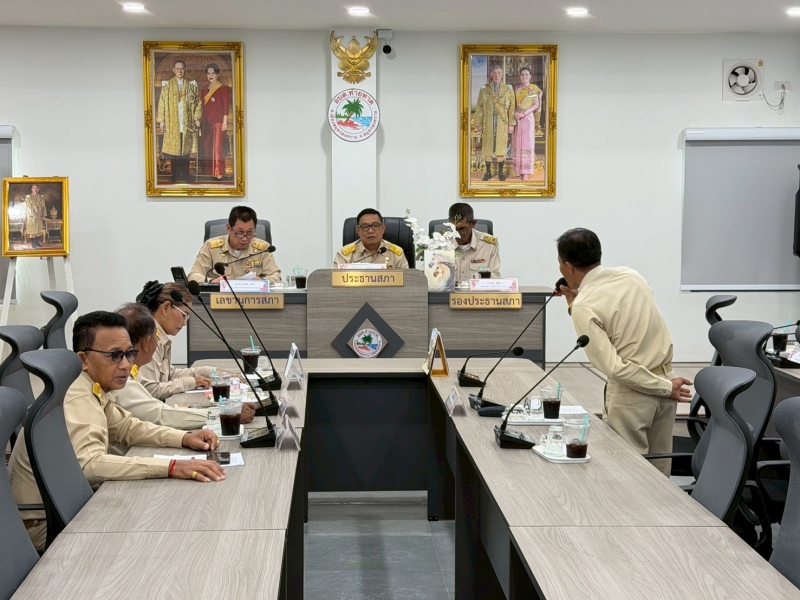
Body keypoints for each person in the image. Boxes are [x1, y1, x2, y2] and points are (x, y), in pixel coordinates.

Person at [9, 311, 225, 551]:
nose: (126, 365)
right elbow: (91, 465)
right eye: (115, 356)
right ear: (83, 359)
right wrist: (172, 467)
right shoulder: (77, 398)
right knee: (160, 532)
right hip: (47, 525)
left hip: (71, 504)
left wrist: (184, 438)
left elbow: (128, 427)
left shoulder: (91, 386)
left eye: (129, 354)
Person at [555, 228, 693, 477]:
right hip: (666, 381)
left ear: (567, 267)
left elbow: (613, 366)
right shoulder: (631, 275)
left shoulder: (584, 305)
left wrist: (577, 306)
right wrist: (665, 385)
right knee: (660, 475)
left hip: (634, 393)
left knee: (628, 478)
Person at [115, 303, 255, 425]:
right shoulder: (124, 380)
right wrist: (225, 413)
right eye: (156, 335)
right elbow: (160, 415)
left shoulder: (131, 372)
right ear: (147, 343)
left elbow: (157, 406)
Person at [135, 281, 215, 399]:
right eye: (184, 315)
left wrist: (208, 372)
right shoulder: (149, 338)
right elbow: (151, 390)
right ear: (166, 307)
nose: (185, 323)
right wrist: (192, 382)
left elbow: (170, 374)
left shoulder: (159, 335)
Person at [188, 206, 281, 283]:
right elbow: (193, 276)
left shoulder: (264, 249)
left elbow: (276, 276)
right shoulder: (210, 247)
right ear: (229, 228)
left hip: (253, 297)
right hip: (220, 298)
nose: (245, 238)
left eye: (250, 233)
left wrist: (263, 281)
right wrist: (212, 281)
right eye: (240, 233)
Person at [156, 59, 202, 184]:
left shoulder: (191, 85)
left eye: (182, 69)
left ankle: (186, 175)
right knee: (175, 150)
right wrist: (162, 121)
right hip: (172, 122)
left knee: (185, 150)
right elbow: (162, 104)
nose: (179, 71)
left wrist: (197, 117)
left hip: (186, 123)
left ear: (185, 70)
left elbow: (198, 102)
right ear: (173, 70)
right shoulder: (167, 86)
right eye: (177, 69)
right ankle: (175, 175)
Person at [473, 64, 516, 182]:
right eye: (494, 73)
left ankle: (501, 172)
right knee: (488, 146)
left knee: (501, 146)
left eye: (499, 73)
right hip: (488, 122)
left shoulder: (508, 89)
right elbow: (479, 106)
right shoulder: (484, 89)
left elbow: (512, 107)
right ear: (491, 75)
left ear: (502, 75)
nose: (497, 75)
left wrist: (511, 124)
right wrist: (479, 123)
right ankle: (488, 172)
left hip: (502, 122)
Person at [334, 209, 409, 268]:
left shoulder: (396, 255)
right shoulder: (344, 255)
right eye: (365, 227)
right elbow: (335, 280)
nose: (370, 231)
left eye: (375, 225)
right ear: (358, 231)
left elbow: (407, 280)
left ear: (383, 228)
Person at [449, 202, 501, 281]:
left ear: (473, 224)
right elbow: (431, 280)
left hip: (478, 289)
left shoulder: (489, 245)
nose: (457, 235)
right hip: (450, 290)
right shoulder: (439, 245)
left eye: (462, 229)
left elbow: (494, 278)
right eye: (454, 229)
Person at [200, 63, 232, 180]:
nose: (210, 75)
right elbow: (202, 107)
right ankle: (209, 171)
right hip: (206, 121)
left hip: (218, 122)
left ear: (217, 74)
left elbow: (226, 107)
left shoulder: (223, 89)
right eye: (208, 73)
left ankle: (219, 172)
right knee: (207, 146)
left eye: (213, 73)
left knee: (218, 148)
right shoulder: (204, 89)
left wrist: (225, 122)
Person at [512, 66, 541, 182]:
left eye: (526, 74)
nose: (524, 76)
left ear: (530, 76)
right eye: (522, 74)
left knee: (527, 144)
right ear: (520, 76)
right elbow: (514, 103)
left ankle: (526, 172)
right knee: (518, 143)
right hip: (517, 119)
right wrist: (515, 113)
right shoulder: (517, 89)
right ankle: (519, 170)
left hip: (528, 118)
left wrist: (524, 113)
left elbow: (536, 104)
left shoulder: (533, 89)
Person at [24, 184, 47, 249]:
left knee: (38, 230)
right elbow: (29, 207)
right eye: (34, 188)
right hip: (32, 217)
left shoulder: (41, 197)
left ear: (38, 189)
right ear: (32, 189)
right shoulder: (28, 197)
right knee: (32, 231)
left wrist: (43, 215)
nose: (35, 189)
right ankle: (33, 243)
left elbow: (43, 207)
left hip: (40, 216)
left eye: (37, 188)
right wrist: (35, 215)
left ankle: (37, 242)